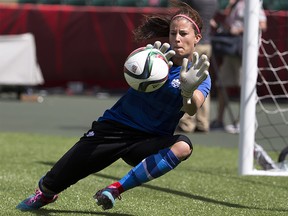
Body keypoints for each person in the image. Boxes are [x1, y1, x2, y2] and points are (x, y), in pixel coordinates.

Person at [16, 1, 211, 211]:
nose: (177, 38)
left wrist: (187, 91)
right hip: (116, 128)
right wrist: (147, 63)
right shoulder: (156, 59)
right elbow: (131, 72)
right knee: (53, 181)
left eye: (183, 33)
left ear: (197, 38)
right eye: (173, 33)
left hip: (148, 140)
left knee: (183, 145)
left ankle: (115, 189)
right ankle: (45, 194)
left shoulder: (199, 76)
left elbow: (191, 109)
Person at [210, 0, 267, 133]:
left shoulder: (253, 4)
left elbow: (263, 25)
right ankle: (219, 120)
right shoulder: (234, 4)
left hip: (245, 52)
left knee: (245, 86)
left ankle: (243, 121)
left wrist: (241, 29)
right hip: (231, 51)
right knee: (222, 83)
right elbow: (228, 24)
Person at [178, 0, 218, 133]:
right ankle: (203, 122)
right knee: (202, 82)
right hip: (207, 44)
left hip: (196, 45)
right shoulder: (214, 3)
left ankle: (187, 123)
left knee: (188, 81)